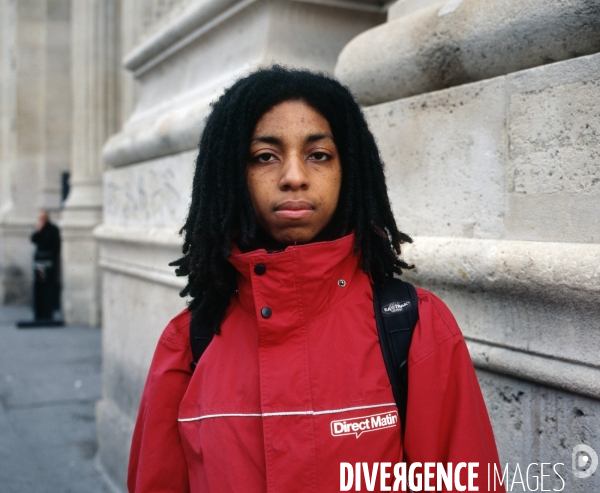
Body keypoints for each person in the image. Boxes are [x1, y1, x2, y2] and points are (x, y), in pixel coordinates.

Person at [128, 66, 505, 493]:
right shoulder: (187, 344)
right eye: (265, 156)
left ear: (349, 171)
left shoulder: (415, 328)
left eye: (318, 155)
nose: (293, 176)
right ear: (233, 173)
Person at [30, 209, 61, 321]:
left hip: (49, 263)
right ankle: (39, 313)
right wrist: (37, 230)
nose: (41, 220)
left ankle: (48, 313)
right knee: (40, 284)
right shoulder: (39, 229)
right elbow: (33, 240)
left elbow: (55, 246)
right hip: (40, 264)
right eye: (40, 218)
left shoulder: (53, 229)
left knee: (48, 286)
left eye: (43, 217)